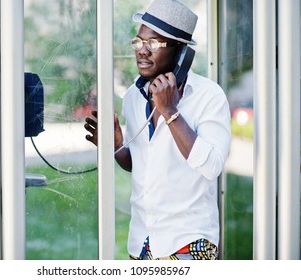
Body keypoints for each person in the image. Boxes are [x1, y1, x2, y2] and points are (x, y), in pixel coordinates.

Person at [84, 0, 231, 260]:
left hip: (189, 241)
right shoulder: (133, 96)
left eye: (153, 44)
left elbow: (211, 166)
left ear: (181, 53)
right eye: (138, 42)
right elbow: (142, 165)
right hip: (142, 240)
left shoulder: (209, 96)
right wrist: (117, 146)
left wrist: (170, 111)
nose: (141, 51)